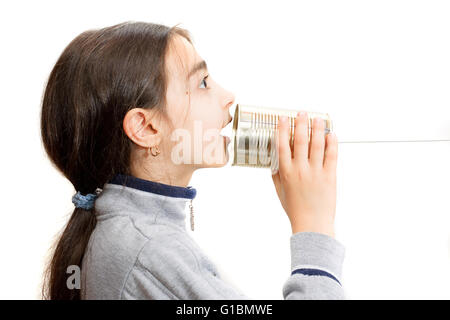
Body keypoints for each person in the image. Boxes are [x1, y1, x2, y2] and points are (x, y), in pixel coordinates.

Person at [40, 21, 345, 300]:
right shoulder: (151, 250)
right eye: (202, 83)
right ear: (146, 128)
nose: (228, 95)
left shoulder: (133, 238)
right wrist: (314, 226)